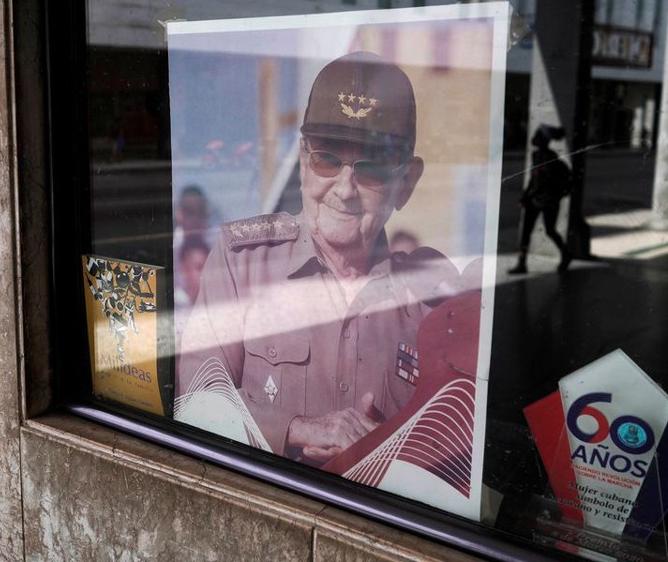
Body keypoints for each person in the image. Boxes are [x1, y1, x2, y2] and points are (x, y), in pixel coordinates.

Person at [176, 52, 467, 465]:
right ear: (303, 163)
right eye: (327, 159)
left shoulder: (432, 301)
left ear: (406, 182)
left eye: (370, 170)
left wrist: (390, 450)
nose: (344, 189)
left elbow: (456, 454)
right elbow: (195, 404)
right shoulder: (242, 262)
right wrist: (293, 429)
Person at [509, 124, 572, 274]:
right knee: (526, 232)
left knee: (550, 230)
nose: (534, 138)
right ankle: (522, 264)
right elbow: (533, 179)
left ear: (543, 139)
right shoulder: (536, 155)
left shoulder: (550, 158)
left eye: (537, 135)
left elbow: (542, 181)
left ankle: (566, 254)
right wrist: (525, 196)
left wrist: (528, 195)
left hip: (547, 201)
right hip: (535, 200)